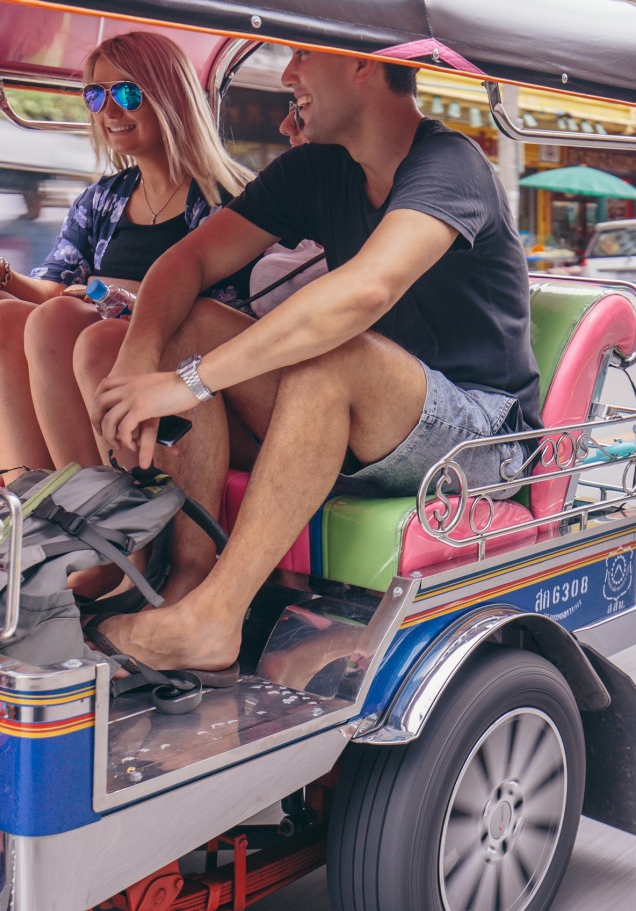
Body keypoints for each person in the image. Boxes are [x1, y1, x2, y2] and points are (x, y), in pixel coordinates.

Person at [84, 50, 538, 676]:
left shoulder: (451, 164)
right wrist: (139, 366)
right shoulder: (318, 169)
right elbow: (185, 264)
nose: (288, 76)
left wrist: (188, 383)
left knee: (334, 356)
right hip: (377, 422)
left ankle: (218, 617)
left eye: (301, 56)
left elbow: (365, 293)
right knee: (191, 322)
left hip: (482, 437)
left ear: (363, 64)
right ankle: (187, 579)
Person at [0, 31, 252, 588]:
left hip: (191, 381)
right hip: (90, 345)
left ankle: (100, 538)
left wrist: (113, 293)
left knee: (64, 323)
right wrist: (1, 274)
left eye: (128, 94)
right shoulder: (103, 200)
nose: (108, 110)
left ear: (171, 97)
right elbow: (64, 287)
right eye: (95, 96)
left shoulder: (230, 201)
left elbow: (220, 316)